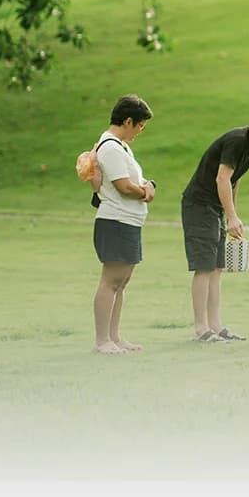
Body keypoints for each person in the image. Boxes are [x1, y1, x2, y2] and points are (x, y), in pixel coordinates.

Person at [182, 102, 249, 343]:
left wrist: (233, 214)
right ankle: (201, 329)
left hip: (215, 207)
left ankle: (216, 326)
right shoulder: (237, 141)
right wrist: (230, 216)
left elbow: (234, 180)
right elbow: (222, 178)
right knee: (205, 266)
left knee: (217, 267)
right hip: (199, 205)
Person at [89, 94, 156, 355]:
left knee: (121, 282)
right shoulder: (110, 147)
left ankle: (114, 337)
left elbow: (134, 180)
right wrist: (146, 192)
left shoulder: (121, 146)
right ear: (128, 121)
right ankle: (102, 340)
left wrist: (148, 184)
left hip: (128, 221)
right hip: (115, 221)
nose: (140, 131)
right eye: (139, 125)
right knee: (111, 281)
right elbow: (123, 186)